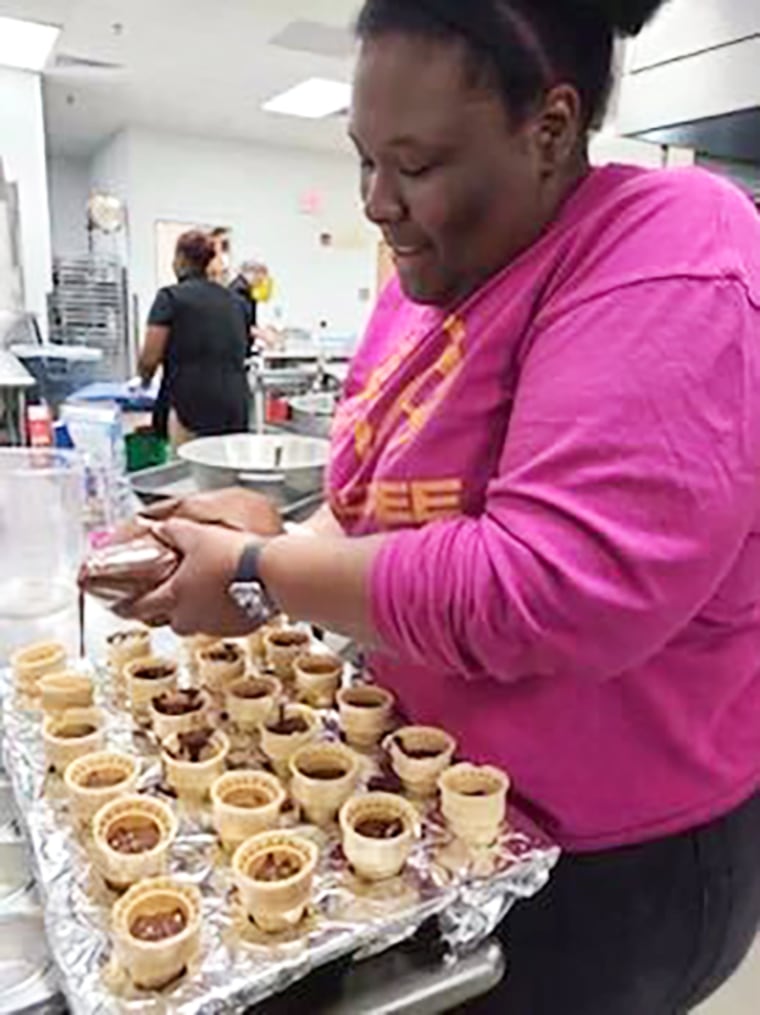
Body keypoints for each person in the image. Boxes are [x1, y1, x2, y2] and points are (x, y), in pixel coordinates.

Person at [121, 0, 760, 1010]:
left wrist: (261, 577)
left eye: (412, 165)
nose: (376, 202)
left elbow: (553, 587)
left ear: (548, 129)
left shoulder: (669, 245)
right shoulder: (420, 285)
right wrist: (279, 534)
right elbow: (371, 514)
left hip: (607, 863)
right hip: (430, 814)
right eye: (363, 160)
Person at [138, 230, 250, 449]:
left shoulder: (170, 298)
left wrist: (143, 382)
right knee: (225, 475)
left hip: (190, 407)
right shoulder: (237, 303)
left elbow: (150, 358)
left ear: (180, 259)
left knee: (187, 475)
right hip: (234, 407)